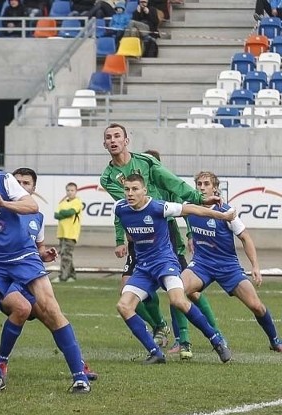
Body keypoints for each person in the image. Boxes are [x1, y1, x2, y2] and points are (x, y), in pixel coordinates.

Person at [0, 144, 92, 394]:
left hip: (23, 257)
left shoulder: (4, 180)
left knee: (51, 309)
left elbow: (32, 206)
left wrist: (3, 202)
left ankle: (79, 376)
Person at [100, 123, 221, 350]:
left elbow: (174, 186)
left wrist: (197, 198)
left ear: (127, 140)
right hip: (139, 237)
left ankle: (194, 337)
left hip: (165, 233)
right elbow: (124, 208)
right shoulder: (107, 177)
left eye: (118, 136)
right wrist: (120, 239)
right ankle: (159, 325)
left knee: (186, 291)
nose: (113, 140)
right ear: (104, 143)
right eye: (109, 137)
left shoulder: (147, 163)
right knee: (128, 289)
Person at [114, 174, 234, 364]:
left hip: (165, 263)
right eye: (127, 189)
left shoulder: (159, 207)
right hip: (144, 267)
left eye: (135, 189)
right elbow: (124, 227)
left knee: (179, 301)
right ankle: (155, 352)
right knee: (123, 306)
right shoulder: (120, 208)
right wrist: (120, 241)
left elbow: (191, 209)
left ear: (144, 191)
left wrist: (221, 215)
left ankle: (216, 340)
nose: (130, 193)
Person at [182, 171, 282, 353]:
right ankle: (214, 337)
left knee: (256, 306)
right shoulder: (189, 207)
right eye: (199, 184)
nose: (202, 187)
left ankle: (275, 340)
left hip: (228, 267)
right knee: (179, 292)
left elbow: (246, 238)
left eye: (206, 184)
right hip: (201, 264)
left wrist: (255, 267)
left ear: (215, 187)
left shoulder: (226, 212)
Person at [143, 149, 222, 361]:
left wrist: (189, 234)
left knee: (186, 293)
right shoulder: (138, 187)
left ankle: (188, 339)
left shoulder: (166, 184)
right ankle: (161, 327)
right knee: (136, 291)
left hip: (169, 243)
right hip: (147, 247)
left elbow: (185, 209)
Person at [54, 182, 82, 283]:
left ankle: (63, 276)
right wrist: (63, 214)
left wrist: (63, 213)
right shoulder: (63, 203)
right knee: (65, 254)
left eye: (72, 190)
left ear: (76, 191)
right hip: (62, 233)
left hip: (71, 233)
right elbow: (56, 215)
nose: (70, 192)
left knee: (66, 255)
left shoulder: (77, 202)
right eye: (68, 190)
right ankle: (72, 275)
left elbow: (70, 212)